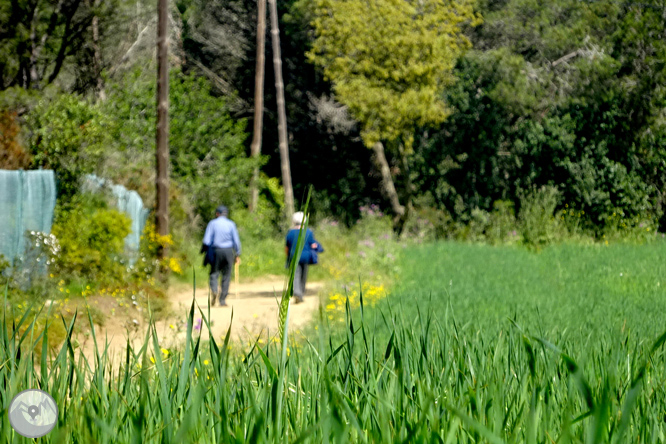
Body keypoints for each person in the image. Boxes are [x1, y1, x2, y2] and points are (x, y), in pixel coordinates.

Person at [202, 205, 241, 307]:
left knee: (214, 273)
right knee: (226, 275)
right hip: (228, 251)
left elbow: (206, 240)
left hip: (216, 251)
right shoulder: (231, 224)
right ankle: (222, 299)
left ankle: (214, 290)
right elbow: (236, 241)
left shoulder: (212, 223)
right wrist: (237, 253)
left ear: (217, 214)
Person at [285, 212, 323, 303]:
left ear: (294, 221)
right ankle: (301, 293)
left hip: (294, 257)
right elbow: (312, 244)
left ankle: (297, 293)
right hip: (306, 257)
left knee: (296, 276)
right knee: (303, 275)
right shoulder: (308, 232)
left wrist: (287, 257)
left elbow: (287, 247)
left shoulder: (290, 233)